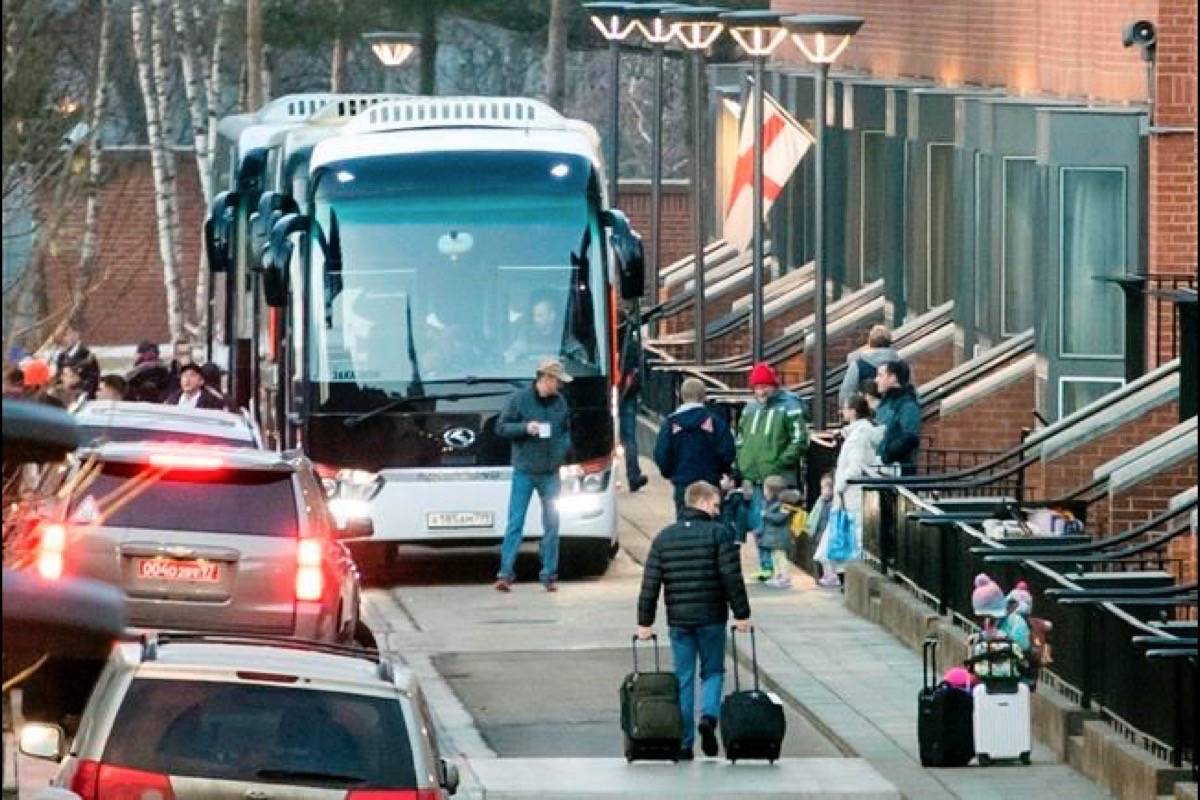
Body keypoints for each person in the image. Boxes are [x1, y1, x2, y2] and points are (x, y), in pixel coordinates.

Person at [636, 480, 752, 761]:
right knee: (713, 671)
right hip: (712, 617)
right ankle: (709, 717)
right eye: (714, 505)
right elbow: (731, 578)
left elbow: (650, 582)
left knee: (683, 678)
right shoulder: (719, 534)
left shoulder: (664, 537)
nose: (717, 510)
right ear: (700, 501)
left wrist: (644, 621)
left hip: (678, 621)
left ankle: (684, 743)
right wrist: (742, 614)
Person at [494, 357, 573, 593]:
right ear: (545, 379)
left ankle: (549, 574)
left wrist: (563, 453)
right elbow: (501, 427)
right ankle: (506, 573)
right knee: (516, 522)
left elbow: (566, 431)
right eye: (556, 381)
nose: (558, 386)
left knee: (552, 523)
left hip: (550, 471)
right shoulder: (519, 400)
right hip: (525, 470)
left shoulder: (560, 403)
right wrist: (525, 428)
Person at [735, 362, 809, 582]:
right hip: (755, 475)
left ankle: (779, 568)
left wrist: (781, 462)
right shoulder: (750, 409)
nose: (760, 392)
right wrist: (743, 464)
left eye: (764, 386)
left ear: (773, 385)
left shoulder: (789, 406)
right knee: (759, 523)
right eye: (757, 387)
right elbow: (741, 438)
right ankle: (766, 565)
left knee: (775, 524)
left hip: (777, 478)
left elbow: (798, 439)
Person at [654, 378, 736, 518]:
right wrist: (722, 471)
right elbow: (727, 452)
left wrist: (670, 473)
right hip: (710, 482)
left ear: (681, 396)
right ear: (704, 397)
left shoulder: (670, 424)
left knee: (685, 521)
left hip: (682, 483)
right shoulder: (715, 422)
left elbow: (661, 454)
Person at [503, 292, 586, 366]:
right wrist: (510, 356)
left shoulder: (563, 336)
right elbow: (514, 351)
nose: (535, 319)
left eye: (539, 316)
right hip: (531, 377)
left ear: (552, 316)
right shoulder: (527, 333)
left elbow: (580, 356)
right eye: (534, 315)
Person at [618, 310, 648, 492]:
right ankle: (633, 475)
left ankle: (633, 475)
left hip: (621, 394)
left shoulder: (606, 341)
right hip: (627, 396)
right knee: (629, 438)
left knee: (627, 439)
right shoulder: (632, 345)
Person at [874, 360, 921, 476]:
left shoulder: (907, 404)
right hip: (884, 468)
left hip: (898, 470)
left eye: (880, 375)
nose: (876, 380)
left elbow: (910, 437)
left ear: (893, 378)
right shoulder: (887, 402)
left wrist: (887, 455)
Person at [837, 325, 900, 408]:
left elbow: (845, 395)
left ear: (869, 342)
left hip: (866, 414)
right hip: (894, 413)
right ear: (889, 342)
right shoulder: (901, 365)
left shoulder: (858, 365)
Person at [758, 476, 801, 589]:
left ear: (773, 491)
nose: (764, 492)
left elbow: (780, 518)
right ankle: (778, 576)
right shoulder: (769, 503)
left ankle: (785, 577)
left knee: (780, 557)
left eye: (766, 490)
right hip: (774, 537)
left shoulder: (784, 505)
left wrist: (766, 514)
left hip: (780, 537)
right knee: (775, 557)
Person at [807, 474, 839, 587]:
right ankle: (825, 575)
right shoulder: (820, 502)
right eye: (822, 488)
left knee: (827, 557)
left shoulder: (832, 504)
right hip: (819, 533)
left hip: (827, 534)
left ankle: (832, 576)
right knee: (821, 556)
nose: (824, 491)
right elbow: (815, 517)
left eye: (827, 488)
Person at [54, 325, 100, 397]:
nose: (63, 339)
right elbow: (58, 380)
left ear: (76, 335)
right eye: (60, 336)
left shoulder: (86, 355)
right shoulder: (61, 357)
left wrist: (78, 382)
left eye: (66, 335)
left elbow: (93, 384)